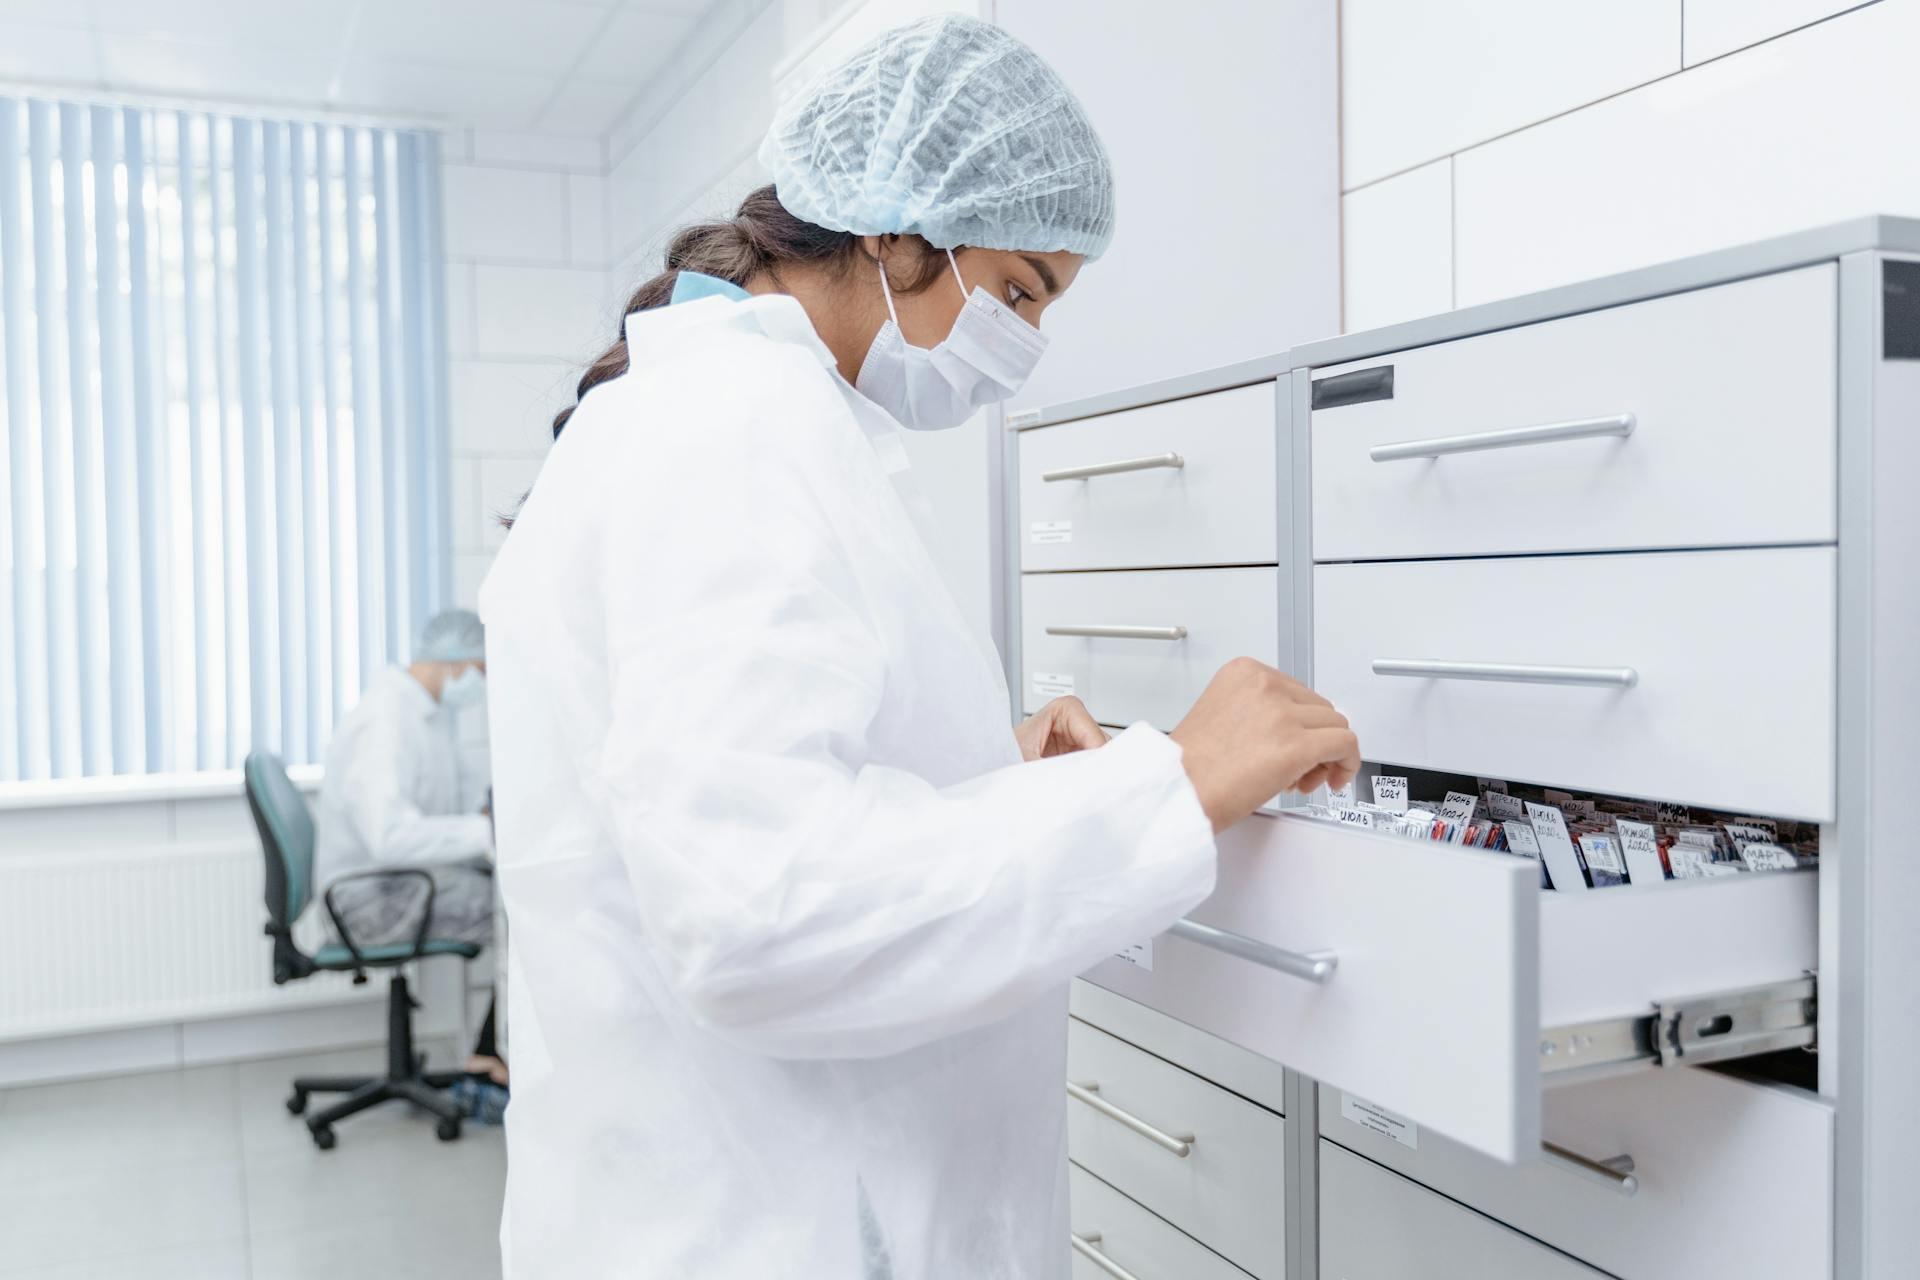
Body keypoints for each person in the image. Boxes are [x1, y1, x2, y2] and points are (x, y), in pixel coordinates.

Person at [480, 15, 1359, 1278]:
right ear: (896, 231)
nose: (1028, 341)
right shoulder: (731, 437)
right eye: (1016, 290)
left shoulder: (729, 421)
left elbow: (729, 794)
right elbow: (763, 915)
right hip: (770, 1228)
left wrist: (974, 770)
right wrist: (1164, 782)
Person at [312, 608, 496, 955]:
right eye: (481, 670)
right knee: (513, 909)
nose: (483, 684)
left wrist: (483, 818)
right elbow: (389, 838)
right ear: (454, 661)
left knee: (508, 895)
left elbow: (447, 799)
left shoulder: (428, 714)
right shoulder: (385, 722)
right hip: (367, 904)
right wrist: (487, 833)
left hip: (398, 885)